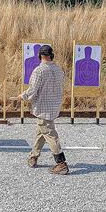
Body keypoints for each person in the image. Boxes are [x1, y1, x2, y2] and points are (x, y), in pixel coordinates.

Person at [17, 45, 69, 175]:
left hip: (42, 107)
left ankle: (61, 163)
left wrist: (23, 96)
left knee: (51, 135)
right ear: (51, 55)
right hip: (53, 106)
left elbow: (33, 90)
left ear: (40, 56)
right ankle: (33, 156)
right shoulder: (58, 70)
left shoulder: (39, 70)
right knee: (42, 131)